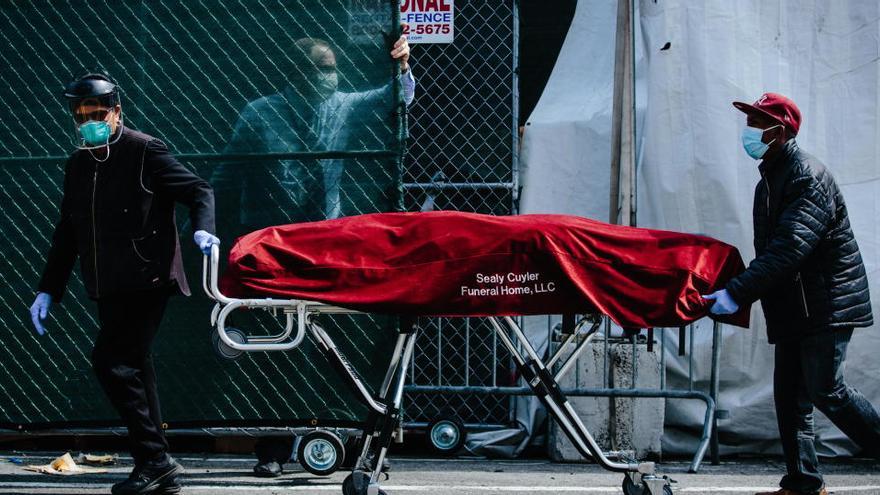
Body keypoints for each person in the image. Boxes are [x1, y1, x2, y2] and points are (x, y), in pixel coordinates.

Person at [212, 32, 414, 478]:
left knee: (329, 341)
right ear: (297, 72)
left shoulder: (342, 106)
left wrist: (400, 66)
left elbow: (393, 100)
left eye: (333, 67)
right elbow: (227, 174)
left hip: (322, 243)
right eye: (322, 67)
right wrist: (209, 230)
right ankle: (273, 447)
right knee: (275, 345)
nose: (330, 76)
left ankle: (338, 433)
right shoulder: (260, 114)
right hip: (272, 245)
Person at [29, 69, 219, 495]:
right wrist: (48, 289)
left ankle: (154, 459)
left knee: (112, 362)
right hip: (108, 282)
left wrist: (203, 228)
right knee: (134, 366)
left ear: (117, 111)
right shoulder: (79, 164)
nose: (89, 120)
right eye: (81, 114)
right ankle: (158, 464)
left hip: (148, 277)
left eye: (97, 112)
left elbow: (198, 189)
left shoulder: (144, 149)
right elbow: (68, 230)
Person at [703, 92, 878, 495]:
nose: (748, 131)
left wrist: (738, 291)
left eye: (755, 123)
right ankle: (803, 483)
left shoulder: (805, 176)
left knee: (826, 391)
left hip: (826, 303)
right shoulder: (771, 176)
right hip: (795, 306)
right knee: (790, 397)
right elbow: (776, 252)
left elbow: (789, 249)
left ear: (778, 132)